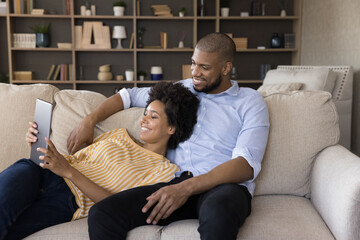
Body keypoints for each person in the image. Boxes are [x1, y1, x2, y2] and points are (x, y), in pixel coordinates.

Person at [69, 32, 270, 240]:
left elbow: (245, 165)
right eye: (193, 64)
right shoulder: (180, 91)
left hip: (222, 188)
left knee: (219, 213)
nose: (195, 72)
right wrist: (89, 121)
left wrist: (186, 188)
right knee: (103, 213)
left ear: (226, 68)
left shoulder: (249, 101)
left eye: (204, 67)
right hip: (174, 184)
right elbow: (127, 96)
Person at [0, 82, 199, 240]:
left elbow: (115, 207)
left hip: (69, 200)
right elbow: (78, 159)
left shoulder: (163, 172)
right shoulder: (119, 135)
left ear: (172, 128)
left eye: (153, 117)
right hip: (41, 171)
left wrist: (68, 171)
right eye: (145, 113)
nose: (143, 120)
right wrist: (39, 146)